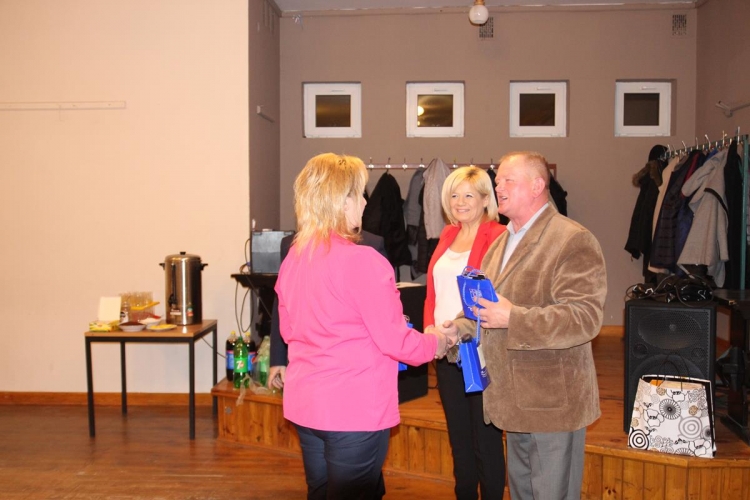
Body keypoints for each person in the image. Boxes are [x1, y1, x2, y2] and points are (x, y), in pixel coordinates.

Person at [274, 153, 457, 500]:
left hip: (306, 405)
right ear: (343, 203)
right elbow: (396, 342)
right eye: (359, 194)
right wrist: (437, 341)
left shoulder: (295, 258)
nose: (364, 202)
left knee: (320, 492)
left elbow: (289, 331)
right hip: (352, 410)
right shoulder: (363, 261)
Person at [442, 151, 607, 500]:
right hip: (512, 400)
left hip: (552, 404)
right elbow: (485, 308)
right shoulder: (501, 242)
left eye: (508, 180)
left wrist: (513, 318)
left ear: (537, 186)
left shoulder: (571, 239)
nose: (498, 187)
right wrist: (459, 328)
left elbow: (585, 317)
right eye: (498, 180)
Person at [424, 166, 507, 500]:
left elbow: (496, 294)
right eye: (454, 195)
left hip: (478, 348)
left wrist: (458, 328)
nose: (459, 202)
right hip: (444, 348)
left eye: (469, 195)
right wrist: (430, 329)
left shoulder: (499, 236)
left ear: (486, 199)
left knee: (485, 439)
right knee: (458, 438)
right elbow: (433, 291)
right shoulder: (447, 234)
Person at [268, 230, 387, 391]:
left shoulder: (371, 244)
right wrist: (278, 358)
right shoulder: (293, 244)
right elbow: (282, 301)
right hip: (306, 365)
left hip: (355, 366)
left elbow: (382, 311)